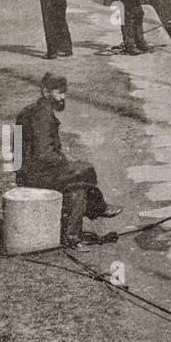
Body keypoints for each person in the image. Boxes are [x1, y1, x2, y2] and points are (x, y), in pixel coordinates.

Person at [15, 73, 122, 247]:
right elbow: (44, 155)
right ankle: (88, 220)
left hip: (26, 172)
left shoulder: (29, 111)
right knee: (82, 176)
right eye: (59, 92)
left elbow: (18, 150)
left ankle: (92, 214)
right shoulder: (43, 117)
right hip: (37, 175)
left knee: (80, 179)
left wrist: (20, 173)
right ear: (46, 92)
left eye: (64, 92)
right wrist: (64, 165)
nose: (63, 97)